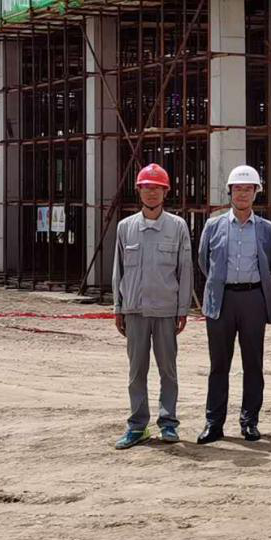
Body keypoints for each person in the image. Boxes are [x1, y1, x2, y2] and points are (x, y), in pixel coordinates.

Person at [196, 165, 271, 445]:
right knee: (219, 364)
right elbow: (204, 261)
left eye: (248, 188)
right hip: (221, 300)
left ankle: (250, 421)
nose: (242, 193)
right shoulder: (213, 226)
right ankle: (214, 423)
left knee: (253, 363)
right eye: (237, 189)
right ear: (230, 192)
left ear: (256, 192)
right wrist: (222, 283)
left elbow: (270, 264)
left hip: (253, 299)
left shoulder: (267, 229)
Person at [111, 163, 192, 450]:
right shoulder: (125, 228)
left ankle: (168, 423)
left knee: (168, 370)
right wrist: (118, 307)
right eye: (147, 187)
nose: (152, 193)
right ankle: (137, 426)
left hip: (166, 310)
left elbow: (185, 270)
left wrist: (183, 309)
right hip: (135, 309)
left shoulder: (177, 227)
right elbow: (118, 271)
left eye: (158, 188)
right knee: (136, 371)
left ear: (166, 192)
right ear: (139, 191)